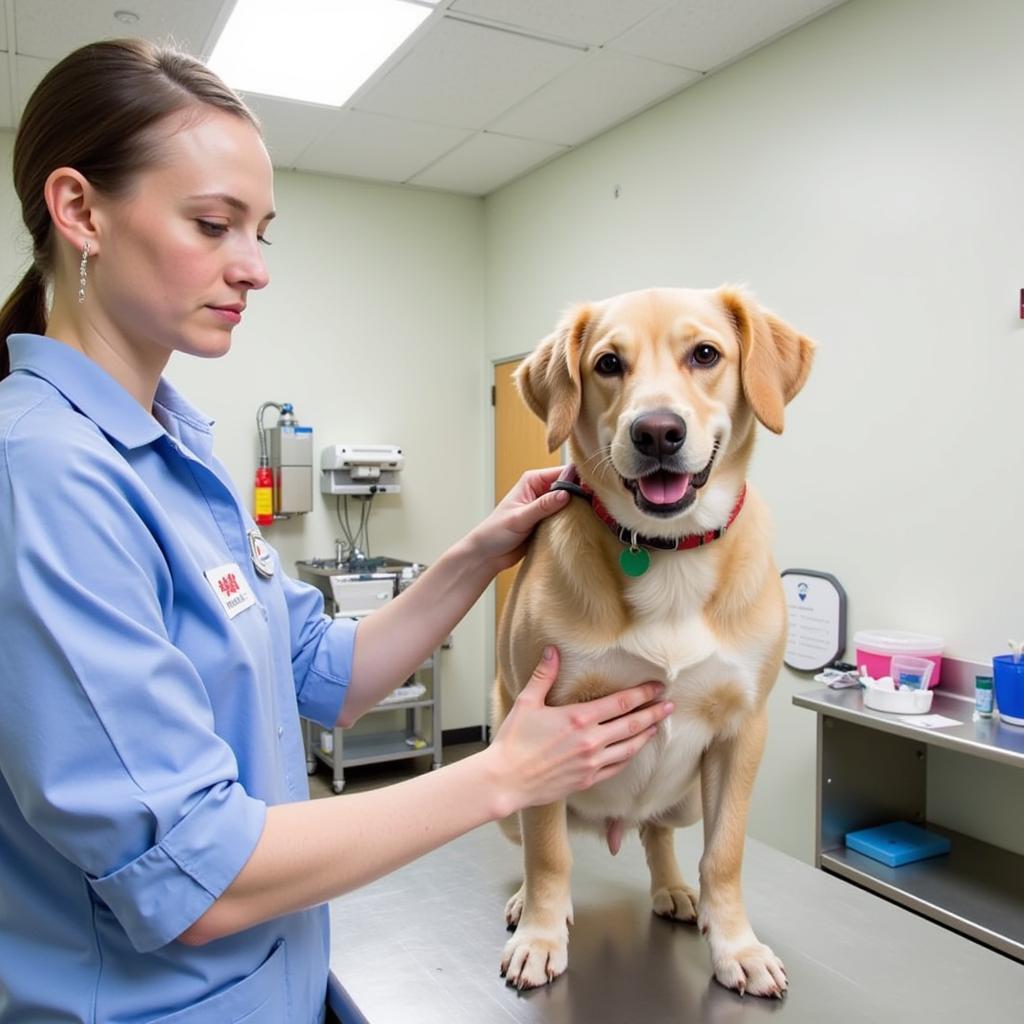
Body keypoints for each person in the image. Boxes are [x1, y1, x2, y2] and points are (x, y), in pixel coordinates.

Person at [0, 39, 674, 1024]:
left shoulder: (175, 447)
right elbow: (199, 874)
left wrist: (481, 550)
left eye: (262, 230)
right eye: (213, 224)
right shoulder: (45, 476)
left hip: (284, 987)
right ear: (80, 210)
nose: (255, 268)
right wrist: (504, 775)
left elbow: (321, 669)